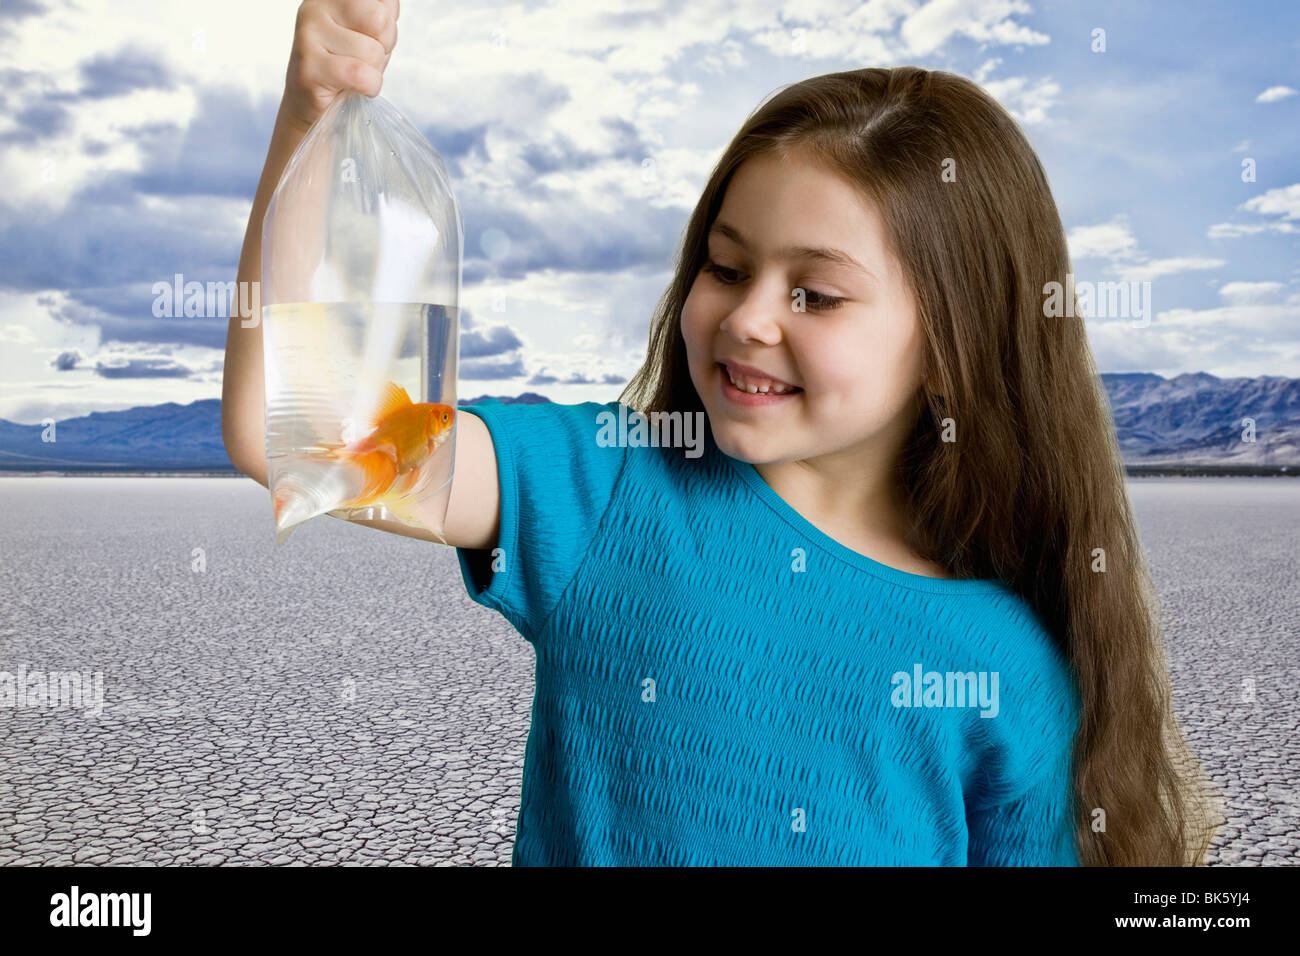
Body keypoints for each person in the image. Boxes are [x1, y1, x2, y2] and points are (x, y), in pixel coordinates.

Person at [222, 0, 1221, 866]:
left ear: (955, 344)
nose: (747, 320)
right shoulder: (606, 489)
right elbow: (305, 431)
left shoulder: (1008, 669)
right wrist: (311, 125)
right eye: (727, 266)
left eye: (815, 294)